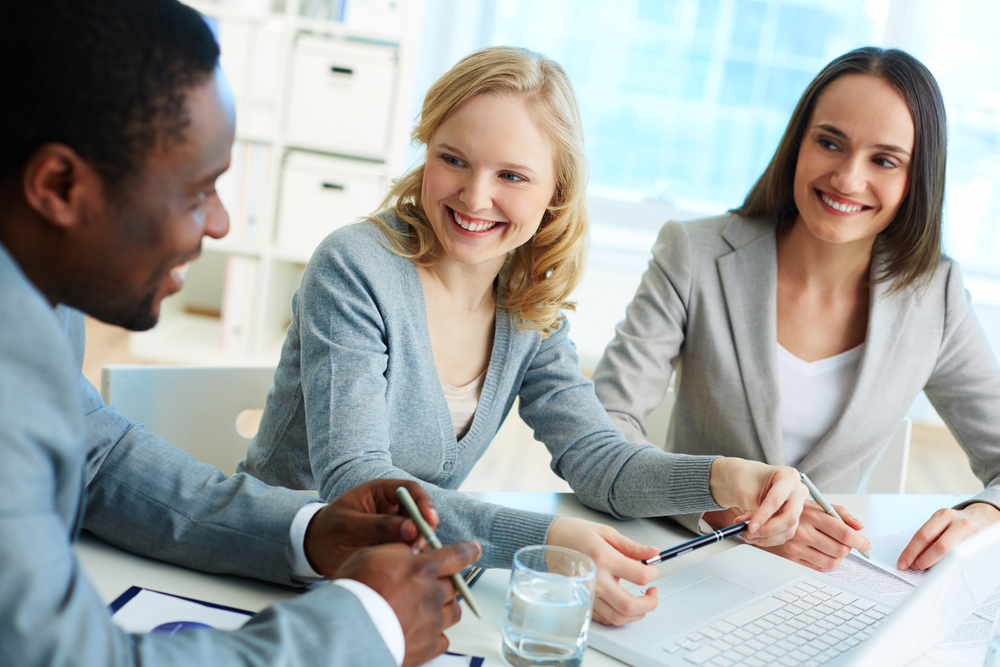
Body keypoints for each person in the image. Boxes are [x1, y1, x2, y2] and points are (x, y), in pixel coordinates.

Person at [237, 45, 807, 627]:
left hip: (404, 586)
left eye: (511, 175)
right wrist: (550, 544)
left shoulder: (528, 302)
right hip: (275, 573)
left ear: (555, 192)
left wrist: (725, 477)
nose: (476, 197)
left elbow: (598, 460)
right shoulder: (355, 266)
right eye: (453, 159)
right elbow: (357, 483)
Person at [0, 2, 481, 665]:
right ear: (58, 185)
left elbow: (94, 450)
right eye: (199, 192)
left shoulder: (30, 283)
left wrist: (308, 532)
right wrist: (370, 624)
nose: (221, 223)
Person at [592, 46, 1000, 573]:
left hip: (831, 589)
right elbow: (601, 433)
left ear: (916, 177)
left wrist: (984, 515)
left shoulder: (935, 295)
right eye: (830, 142)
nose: (848, 180)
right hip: (694, 566)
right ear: (797, 144)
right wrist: (728, 513)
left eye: (884, 160)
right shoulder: (694, 254)